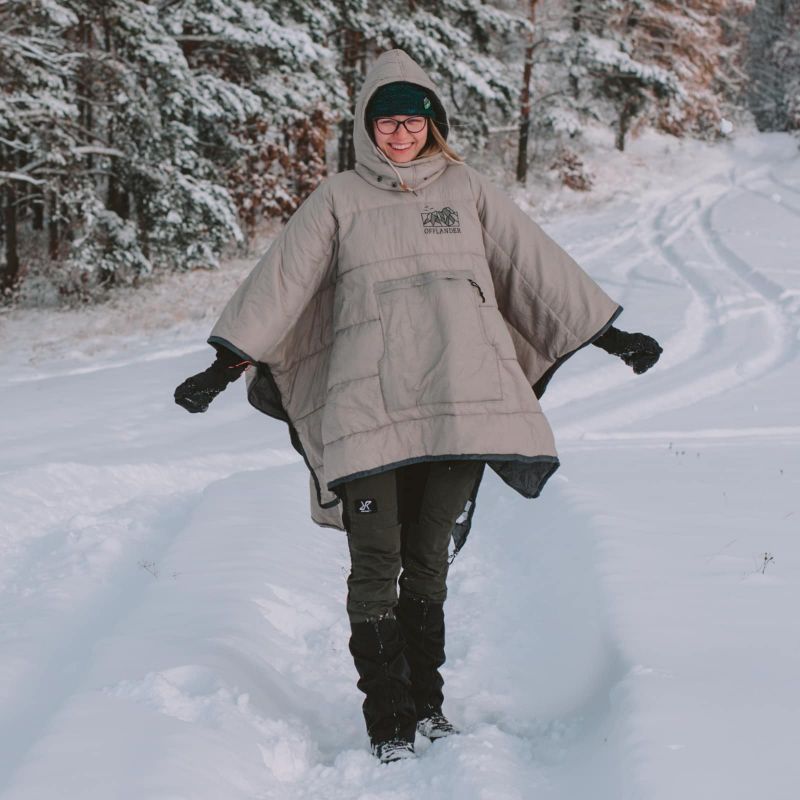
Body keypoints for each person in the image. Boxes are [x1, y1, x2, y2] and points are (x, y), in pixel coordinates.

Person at [174, 49, 662, 764]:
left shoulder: (466, 189)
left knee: (428, 561)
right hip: (368, 406)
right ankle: (388, 720)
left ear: (432, 124)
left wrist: (611, 336)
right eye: (386, 122)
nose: (400, 134)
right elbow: (282, 283)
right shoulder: (339, 198)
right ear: (366, 127)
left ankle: (427, 706)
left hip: (460, 402)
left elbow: (534, 269)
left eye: (412, 121)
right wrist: (225, 365)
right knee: (376, 562)